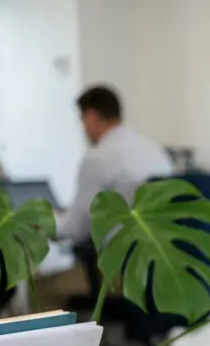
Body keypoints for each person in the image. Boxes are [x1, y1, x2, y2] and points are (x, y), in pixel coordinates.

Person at [60, 85, 172, 242]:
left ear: (91, 117)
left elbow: (76, 229)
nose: (83, 129)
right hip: (159, 253)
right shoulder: (157, 152)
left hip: (118, 257)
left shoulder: (97, 158)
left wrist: (42, 222)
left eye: (82, 120)